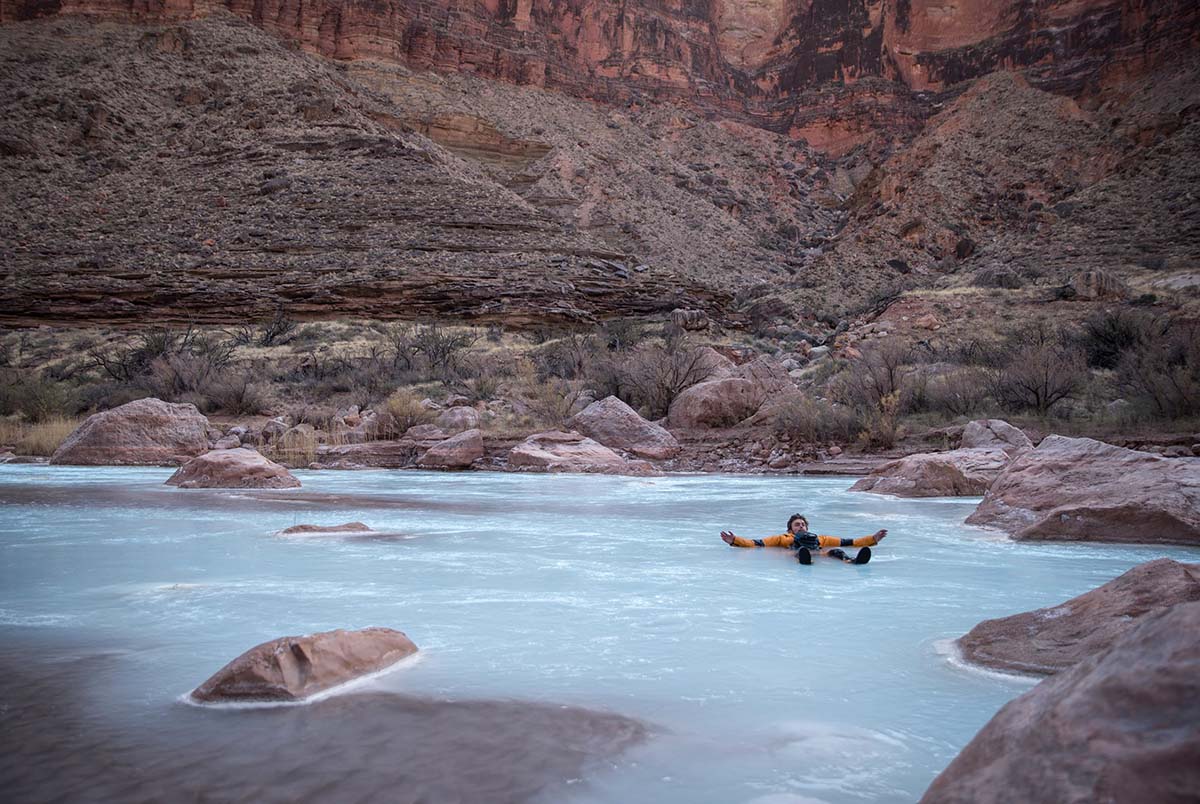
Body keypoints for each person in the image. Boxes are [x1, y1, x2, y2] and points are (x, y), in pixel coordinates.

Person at [720, 513, 886, 565]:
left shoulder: (821, 539)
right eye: (797, 525)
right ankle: (806, 561)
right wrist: (735, 541)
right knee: (801, 550)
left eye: (803, 525)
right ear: (790, 528)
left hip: (820, 554)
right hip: (796, 554)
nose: (801, 527)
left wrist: (873, 539)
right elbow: (756, 543)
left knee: (837, 550)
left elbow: (851, 542)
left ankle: (852, 562)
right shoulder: (782, 538)